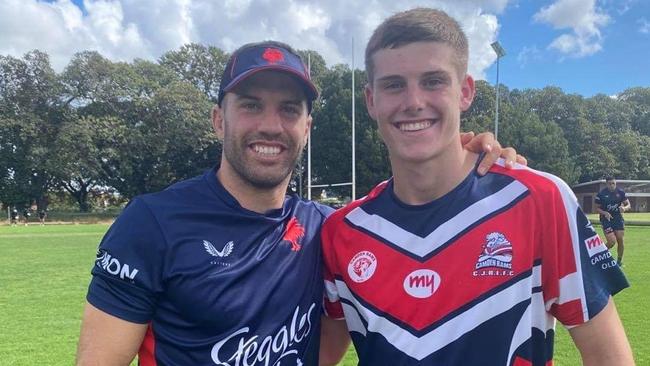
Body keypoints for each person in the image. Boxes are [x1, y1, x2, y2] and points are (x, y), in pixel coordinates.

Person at [76, 40, 519, 366]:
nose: (271, 125)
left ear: (307, 127)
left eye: (289, 110)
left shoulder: (333, 231)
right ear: (218, 120)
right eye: (251, 105)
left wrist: (458, 152)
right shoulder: (153, 222)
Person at [321, 8, 634, 366]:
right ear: (371, 100)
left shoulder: (539, 200)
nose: (413, 102)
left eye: (433, 81)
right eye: (394, 85)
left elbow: (610, 358)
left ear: (465, 91)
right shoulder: (341, 231)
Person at [595, 176, 631, 266]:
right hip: (606, 219)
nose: (612, 185)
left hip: (618, 219)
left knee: (620, 239)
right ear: (606, 184)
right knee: (611, 242)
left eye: (613, 183)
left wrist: (624, 208)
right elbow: (597, 208)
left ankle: (619, 262)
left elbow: (628, 204)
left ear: (615, 183)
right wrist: (604, 213)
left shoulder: (620, 193)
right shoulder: (601, 194)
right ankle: (599, 255)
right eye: (609, 183)